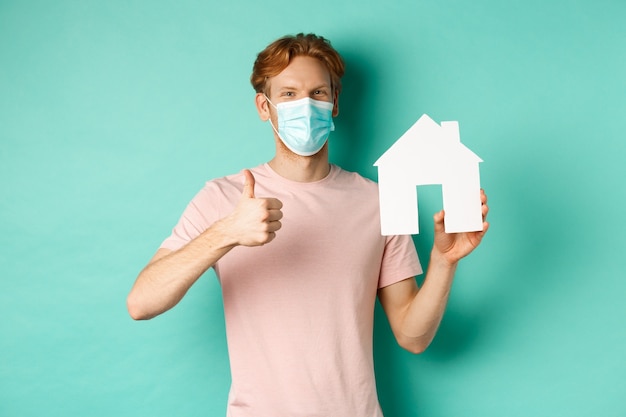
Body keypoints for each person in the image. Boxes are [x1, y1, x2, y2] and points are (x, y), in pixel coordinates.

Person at [127, 33, 489, 417]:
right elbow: (141, 302)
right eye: (288, 94)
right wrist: (227, 232)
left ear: (334, 104)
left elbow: (411, 335)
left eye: (318, 93)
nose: (306, 105)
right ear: (263, 107)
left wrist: (444, 262)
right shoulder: (223, 197)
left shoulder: (378, 200)